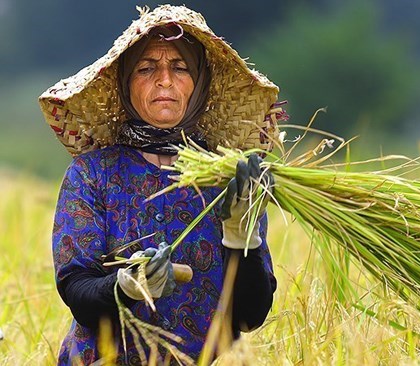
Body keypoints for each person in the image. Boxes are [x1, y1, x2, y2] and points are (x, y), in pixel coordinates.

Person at [39, 5, 287, 365]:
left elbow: (249, 316)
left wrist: (241, 236)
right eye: (147, 68)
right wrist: (126, 286)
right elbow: (78, 290)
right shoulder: (93, 174)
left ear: (200, 82)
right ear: (127, 83)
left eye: (180, 67)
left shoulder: (229, 180)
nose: (165, 80)